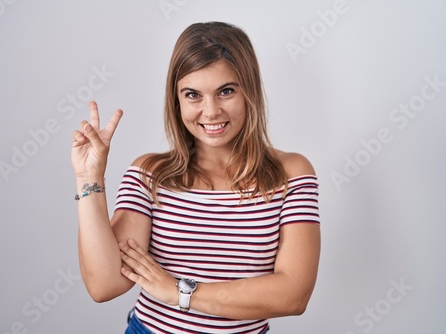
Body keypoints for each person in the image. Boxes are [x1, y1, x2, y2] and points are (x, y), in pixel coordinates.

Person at [71, 21, 321, 334]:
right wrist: (88, 178)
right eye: (193, 95)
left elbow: (293, 295)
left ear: (250, 91)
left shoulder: (292, 174)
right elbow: (104, 285)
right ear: (176, 101)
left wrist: (179, 291)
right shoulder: (150, 174)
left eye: (226, 91)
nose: (211, 111)